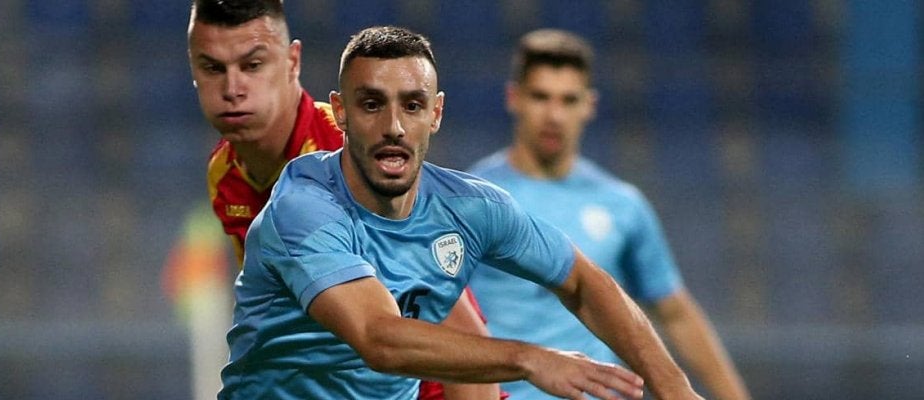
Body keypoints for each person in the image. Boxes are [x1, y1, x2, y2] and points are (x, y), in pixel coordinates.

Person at [217, 25, 703, 400]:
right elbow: (379, 340)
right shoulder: (302, 208)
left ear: (436, 113)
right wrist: (530, 359)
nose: (394, 126)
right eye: (372, 104)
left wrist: (675, 388)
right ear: (340, 112)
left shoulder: (471, 207)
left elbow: (582, 281)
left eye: (412, 105)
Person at [186, 1, 499, 398]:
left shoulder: (354, 155)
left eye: (252, 65)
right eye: (213, 68)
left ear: (292, 61)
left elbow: (461, 330)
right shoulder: (224, 172)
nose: (232, 89)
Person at [466, 29, 752, 399]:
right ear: (514, 98)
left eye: (569, 100)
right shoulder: (472, 199)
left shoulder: (622, 205)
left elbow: (676, 314)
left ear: (589, 105)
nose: (554, 115)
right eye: (540, 97)